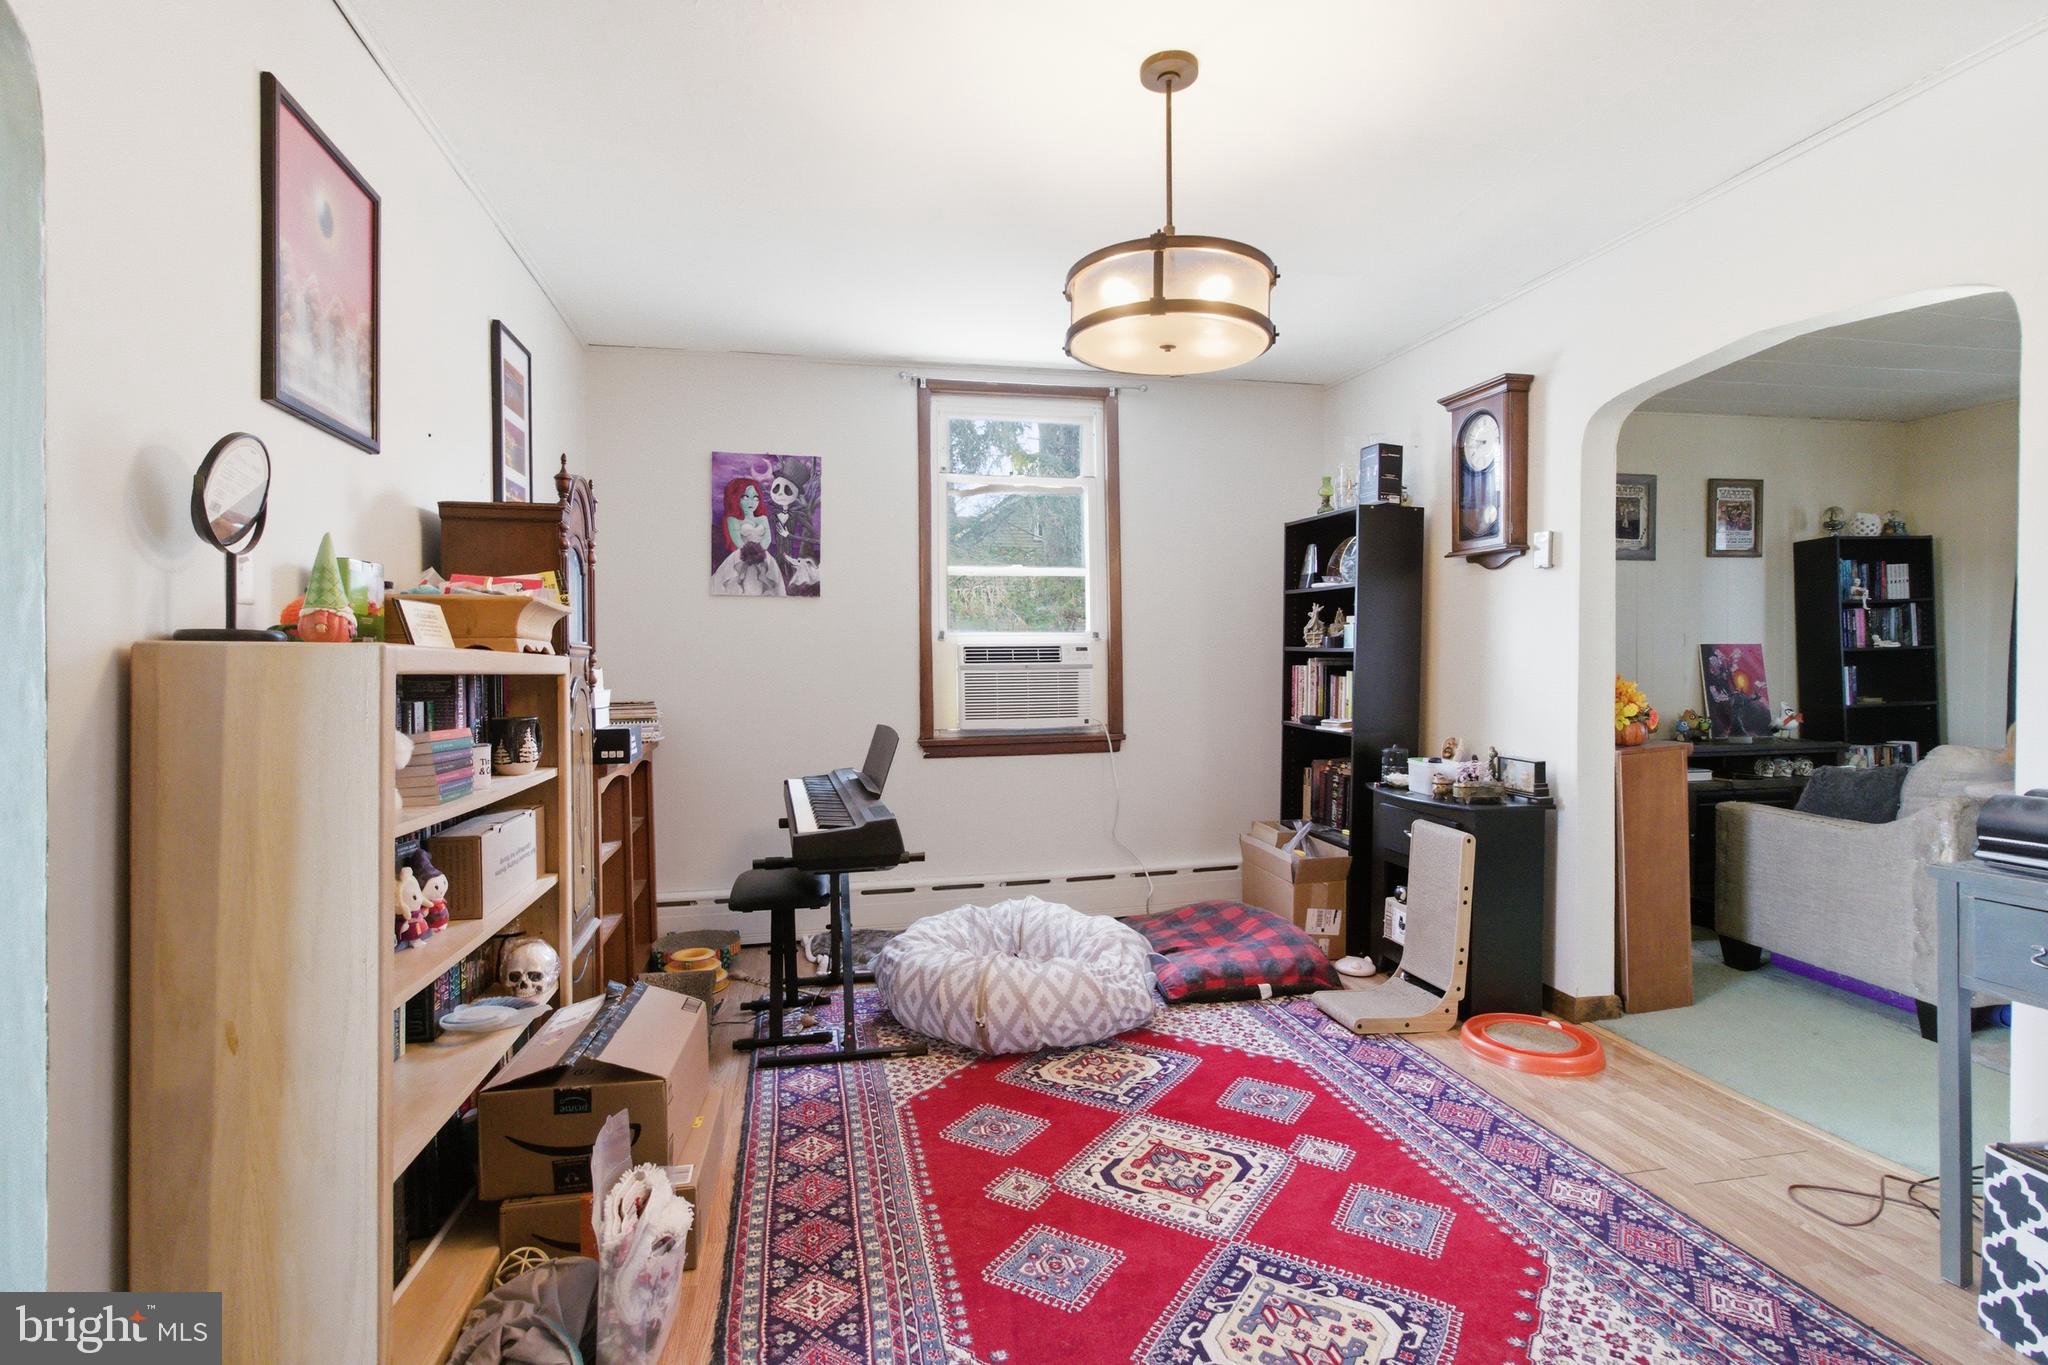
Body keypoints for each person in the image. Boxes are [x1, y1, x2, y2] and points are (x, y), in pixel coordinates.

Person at [712, 477, 786, 595]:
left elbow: (767, 539)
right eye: (745, 497)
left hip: (763, 555)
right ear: (735, 498)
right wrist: (749, 554)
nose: (751, 502)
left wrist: (759, 553)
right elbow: (737, 540)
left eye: (755, 498)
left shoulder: (763, 519)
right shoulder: (733, 520)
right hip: (741, 555)